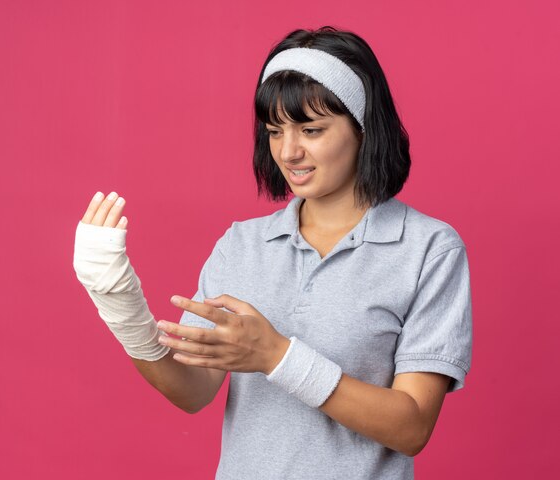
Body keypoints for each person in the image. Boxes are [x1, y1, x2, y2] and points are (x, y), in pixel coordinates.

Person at [73, 26, 472, 480]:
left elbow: (411, 426)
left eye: (312, 129)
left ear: (363, 128)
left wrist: (276, 356)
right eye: (274, 130)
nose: (288, 151)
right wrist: (118, 301)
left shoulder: (429, 249)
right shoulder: (242, 245)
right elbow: (193, 391)